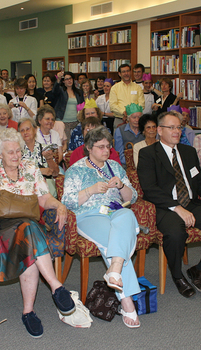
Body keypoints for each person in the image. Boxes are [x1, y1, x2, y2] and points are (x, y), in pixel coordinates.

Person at [0, 128, 73, 337]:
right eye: (11, 152)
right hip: (2, 229)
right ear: (0, 153)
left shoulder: (30, 168)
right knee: (29, 230)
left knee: (28, 233)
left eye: (18, 151)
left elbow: (44, 198)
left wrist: (59, 205)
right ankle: (56, 287)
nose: (16, 156)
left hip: (28, 227)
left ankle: (29, 311)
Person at [137, 112, 201, 298]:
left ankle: (200, 269)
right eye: (171, 127)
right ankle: (177, 275)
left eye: (179, 127)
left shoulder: (188, 152)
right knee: (175, 234)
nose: (177, 131)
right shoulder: (148, 154)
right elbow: (150, 189)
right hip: (165, 207)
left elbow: (199, 181)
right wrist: (177, 207)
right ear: (159, 130)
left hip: (191, 203)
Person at [63, 126, 141, 328]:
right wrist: (90, 191)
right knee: (114, 241)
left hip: (115, 211)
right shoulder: (76, 170)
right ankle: (127, 301)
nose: (106, 151)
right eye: (100, 147)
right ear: (89, 147)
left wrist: (121, 186)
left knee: (128, 213)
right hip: (88, 215)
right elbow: (69, 202)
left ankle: (115, 268)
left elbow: (133, 197)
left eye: (108, 146)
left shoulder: (115, 167)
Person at [18, 117, 60, 197]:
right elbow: (16, 173)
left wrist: (49, 159)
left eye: (28, 129)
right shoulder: (17, 152)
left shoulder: (45, 148)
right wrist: (39, 171)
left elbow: (55, 173)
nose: (25, 132)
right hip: (27, 192)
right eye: (22, 130)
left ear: (35, 130)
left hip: (47, 192)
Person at [109, 64, 145, 128]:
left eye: (128, 71)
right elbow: (112, 105)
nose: (126, 73)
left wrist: (131, 114)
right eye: (123, 72)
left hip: (135, 120)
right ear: (119, 74)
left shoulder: (137, 87)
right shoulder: (114, 88)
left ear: (131, 72)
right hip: (120, 119)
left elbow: (141, 104)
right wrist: (124, 112)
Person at [52, 71, 84, 139]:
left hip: (76, 121)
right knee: (65, 142)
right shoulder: (61, 91)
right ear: (63, 81)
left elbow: (82, 105)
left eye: (70, 78)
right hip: (63, 121)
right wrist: (58, 79)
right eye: (67, 79)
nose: (69, 80)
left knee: (75, 142)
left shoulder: (78, 92)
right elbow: (54, 91)